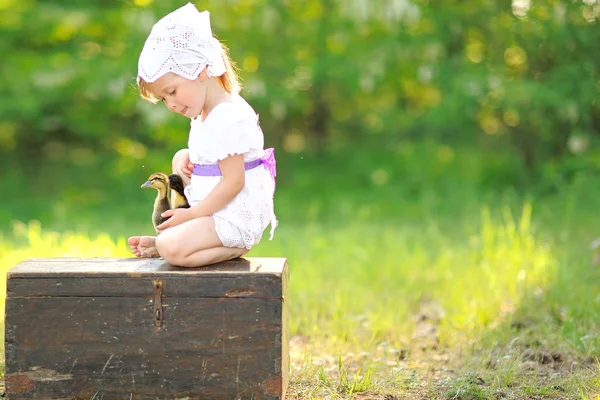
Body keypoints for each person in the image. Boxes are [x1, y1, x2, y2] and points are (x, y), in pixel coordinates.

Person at [128, 3, 277, 267]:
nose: (171, 104)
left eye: (172, 92)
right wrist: (188, 158)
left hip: (235, 215)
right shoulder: (205, 113)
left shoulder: (227, 116)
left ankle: (228, 246)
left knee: (169, 246)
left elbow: (234, 183)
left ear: (200, 70)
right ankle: (186, 238)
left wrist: (192, 214)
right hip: (217, 207)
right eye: (163, 99)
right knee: (180, 158)